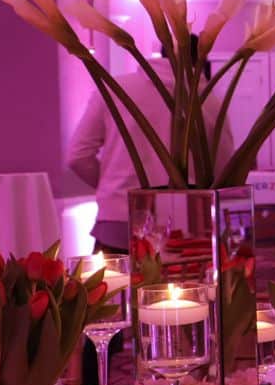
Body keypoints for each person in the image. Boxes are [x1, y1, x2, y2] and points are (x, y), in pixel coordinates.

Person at [66, 44, 234, 255]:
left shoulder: (115, 89)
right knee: (182, 288)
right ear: (201, 60)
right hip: (185, 231)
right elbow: (223, 172)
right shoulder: (210, 102)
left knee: (111, 286)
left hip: (118, 220)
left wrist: (113, 187)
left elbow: (78, 156)